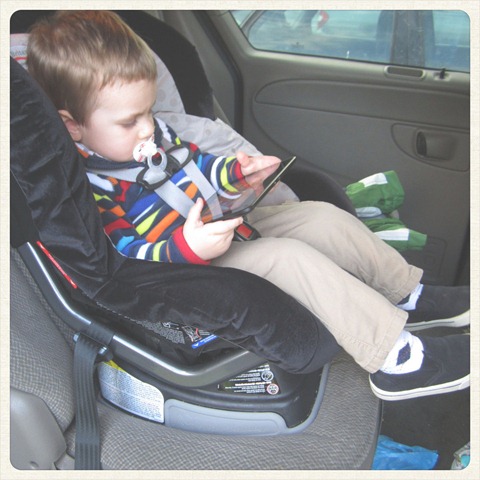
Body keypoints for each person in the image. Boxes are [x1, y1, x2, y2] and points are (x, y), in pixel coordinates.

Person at [27, 10, 470, 401]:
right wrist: (188, 247)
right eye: (130, 121)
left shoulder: (154, 135)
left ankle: (407, 293)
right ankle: (397, 361)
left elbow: (198, 164)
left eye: (148, 111)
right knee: (286, 257)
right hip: (186, 265)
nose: (147, 128)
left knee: (320, 218)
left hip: (224, 221)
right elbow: (127, 252)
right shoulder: (95, 186)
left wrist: (236, 173)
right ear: (73, 127)